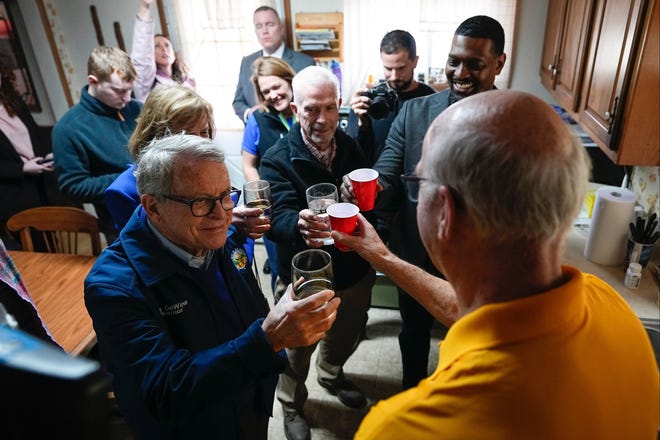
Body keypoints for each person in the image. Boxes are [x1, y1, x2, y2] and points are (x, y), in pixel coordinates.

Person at [333, 89, 660, 439]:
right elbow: (483, 314)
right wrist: (380, 254)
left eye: (420, 180)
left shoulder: (401, 428)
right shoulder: (610, 305)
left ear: (446, 212)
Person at [85, 133, 340, 439]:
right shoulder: (113, 286)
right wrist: (268, 339)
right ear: (153, 207)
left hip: (246, 405)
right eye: (201, 202)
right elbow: (164, 391)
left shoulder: (219, 238)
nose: (222, 215)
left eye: (225, 195)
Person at [342, 15, 507, 390]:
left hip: (482, 267)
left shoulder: (511, 120)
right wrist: (365, 189)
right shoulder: (414, 113)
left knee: (474, 345)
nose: (459, 72)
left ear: (499, 63)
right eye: (454, 60)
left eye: (474, 64)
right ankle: (413, 392)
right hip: (417, 255)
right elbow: (386, 174)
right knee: (413, 332)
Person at [260, 66, 375, 440]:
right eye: (311, 109)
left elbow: (364, 202)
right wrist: (298, 223)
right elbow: (275, 217)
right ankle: (291, 404)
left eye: (329, 108)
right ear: (295, 109)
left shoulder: (351, 146)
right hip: (304, 272)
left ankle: (331, 374)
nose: (322, 119)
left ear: (339, 105)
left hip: (352, 266)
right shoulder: (277, 157)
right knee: (295, 348)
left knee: (345, 333)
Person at [52, 46, 142, 244]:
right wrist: (131, 178)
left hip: (163, 213)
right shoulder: (68, 128)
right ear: (93, 81)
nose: (127, 98)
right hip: (122, 225)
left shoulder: (137, 109)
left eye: (130, 90)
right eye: (119, 91)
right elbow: (73, 186)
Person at [241, 56, 297, 293]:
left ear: (290, 81)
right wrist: (262, 197)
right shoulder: (257, 119)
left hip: (304, 204)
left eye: (277, 87)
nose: (273, 95)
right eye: (266, 91)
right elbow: (248, 163)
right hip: (275, 209)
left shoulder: (306, 111)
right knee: (282, 270)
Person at [347, 30, 435, 163]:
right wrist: (362, 126)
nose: (394, 76)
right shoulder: (367, 100)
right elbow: (355, 156)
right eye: (388, 68)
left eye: (400, 68)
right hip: (379, 178)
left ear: (415, 62)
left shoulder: (431, 99)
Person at [0, 62, 54, 246]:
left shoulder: (13, 101)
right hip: (13, 192)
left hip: (40, 184)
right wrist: (21, 169)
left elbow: (34, 134)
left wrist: (46, 155)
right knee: (35, 249)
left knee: (53, 243)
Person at [232, 6, 315, 124]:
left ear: (281, 28)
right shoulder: (247, 62)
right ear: (255, 31)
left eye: (270, 24)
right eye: (259, 26)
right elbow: (238, 102)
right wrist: (250, 114)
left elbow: (313, 102)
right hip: (259, 135)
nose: (264, 31)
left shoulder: (305, 63)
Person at [130, 0, 195, 102]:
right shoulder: (146, 83)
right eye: (157, 46)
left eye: (167, 45)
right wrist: (144, 7)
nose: (164, 49)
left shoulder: (185, 80)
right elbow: (142, 54)